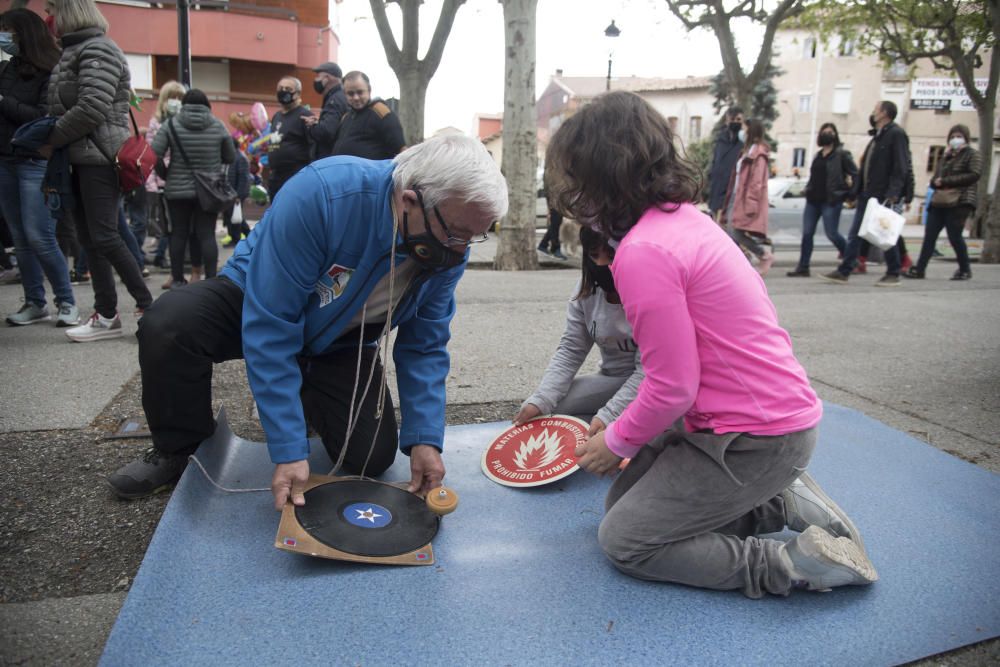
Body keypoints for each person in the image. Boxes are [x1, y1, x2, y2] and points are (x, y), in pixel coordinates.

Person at [545, 91, 876, 598]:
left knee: (627, 541)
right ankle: (778, 506)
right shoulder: (683, 219)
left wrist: (616, 441)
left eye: (576, 175)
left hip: (754, 439)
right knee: (624, 510)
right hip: (749, 424)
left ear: (603, 175)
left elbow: (672, 386)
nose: (574, 193)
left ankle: (793, 564)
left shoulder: (643, 251)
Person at [107, 135, 508, 508]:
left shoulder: (448, 246)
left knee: (371, 457)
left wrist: (424, 440)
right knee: (171, 323)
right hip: (256, 299)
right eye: (456, 233)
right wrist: (288, 449)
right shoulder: (324, 193)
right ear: (409, 200)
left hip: (340, 338)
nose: (459, 253)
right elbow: (272, 324)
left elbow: (424, 346)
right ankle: (178, 448)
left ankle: (306, 393)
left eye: (473, 238)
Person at [41, 0, 153, 342]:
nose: (50, 19)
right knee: (90, 238)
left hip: (100, 158)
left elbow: (92, 106)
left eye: (53, 11)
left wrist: (51, 139)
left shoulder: (98, 49)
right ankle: (107, 315)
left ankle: (149, 307)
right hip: (81, 156)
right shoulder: (76, 51)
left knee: (104, 236)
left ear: (68, 13)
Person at [515, 226, 642, 434]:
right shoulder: (586, 289)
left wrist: (609, 414)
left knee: (623, 428)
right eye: (593, 255)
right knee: (551, 405)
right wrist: (541, 399)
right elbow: (571, 349)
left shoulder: (649, 293)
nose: (600, 263)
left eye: (610, 255)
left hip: (652, 386)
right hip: (611, 378)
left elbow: (650, 373)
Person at [0, 8, 79, 327]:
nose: (4, 37)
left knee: (39, 235)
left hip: (35, 161)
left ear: (24, 33)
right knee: (19, 238)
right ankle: (35, 302)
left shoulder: (52, 69)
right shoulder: (7, 69)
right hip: (5, 159)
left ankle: (67, 301)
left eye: (7, 30)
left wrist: (2, 101)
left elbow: (42, 118)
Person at [821, 100, 910, 287]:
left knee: (884, 233)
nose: (873, 113)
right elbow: (865, 169)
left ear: (885, 113)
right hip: (868, 194)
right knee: (855, 235)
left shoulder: (896, 134)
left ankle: (893, 271)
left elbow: (901, 166)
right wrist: (855, 192)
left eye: (875, 110)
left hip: (881, 195)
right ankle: (845, 270)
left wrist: (894, 192)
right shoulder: (878, 137)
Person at [151, 88, 234, 287]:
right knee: (206, 233)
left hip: (177, 190)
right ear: (207, 105)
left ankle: (178, 279)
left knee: (178, 233)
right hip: (209, 190)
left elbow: (154, 154)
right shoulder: (218, 125)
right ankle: (212, 279)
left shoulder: (171, 124)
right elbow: (230, 157)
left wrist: (166, 175)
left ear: (184, 105)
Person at [905, 124, 981, 282]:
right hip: (940, 200)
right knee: (930, 236)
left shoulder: (972, 155)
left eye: (958, 136)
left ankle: (964, 269)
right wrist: (935, 182)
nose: (955, 139)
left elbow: (974, 174)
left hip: (960, 200)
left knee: (955, 236)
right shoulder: (946, 157)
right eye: (952, 137)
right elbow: (935, 178)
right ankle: (920, 269)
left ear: (966, 138)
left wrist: (946, 181)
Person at [787, 123, 857, 277]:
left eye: (831, 132)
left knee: (831, 233)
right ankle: (803, 267)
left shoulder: (842, 155)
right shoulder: (818, 156)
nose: (827, 134)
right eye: (825, 132)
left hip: (831, 201)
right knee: (807, 233)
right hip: (813, 200)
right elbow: (814, 177)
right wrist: (808, 188)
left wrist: (849, 194)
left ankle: (851, 259)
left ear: (835, 135)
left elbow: (855, 174)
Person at [722, 117, 774, 275]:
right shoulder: (747, 151)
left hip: (745, 199)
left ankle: (762, 254)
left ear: (751, 130)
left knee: (735, 231)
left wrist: (751, 204)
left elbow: (757, 182)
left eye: (744, 128)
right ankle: (744, 260)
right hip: (735, 196)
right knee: (727, 229)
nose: (741, 132)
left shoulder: (759, 154)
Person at [331, 71, 406, 160]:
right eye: (350, 94)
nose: (356, 97)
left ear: (369, 90)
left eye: (360, 92)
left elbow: (401, 150)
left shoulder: (381, 113)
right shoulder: (345, 117)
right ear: (345, 94)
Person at [266, 75, 314, 198]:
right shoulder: (277, 116)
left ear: (297, 94)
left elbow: (313, 145)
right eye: (280, 88)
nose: (283, 91)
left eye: (288, 89)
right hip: (275, 177)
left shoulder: (305, 116)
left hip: (295, 176)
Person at [303, 61, 349, 160]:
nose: (316, 80)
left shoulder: (334, 100)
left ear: (327, 78)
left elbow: (327, 132)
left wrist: (312, 126)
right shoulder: (338, 97)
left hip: (329, 158)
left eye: (318, 76)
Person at [706, 106, 744, 219]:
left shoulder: (744, 142)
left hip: (733, 195)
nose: (735, 123)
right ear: (727, 121)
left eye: (738, 120)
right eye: (732, 120)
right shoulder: (720, 140)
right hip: (717, 192)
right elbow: (714, 164)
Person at [222, 136, 250, 248]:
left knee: (236, 217)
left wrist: (238, 195)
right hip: (229, 193)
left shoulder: (241, 158)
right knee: (231, 216)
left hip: (236, 193)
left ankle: (240, 238)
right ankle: (236, 238)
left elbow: (244, 178)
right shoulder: (231, 157)